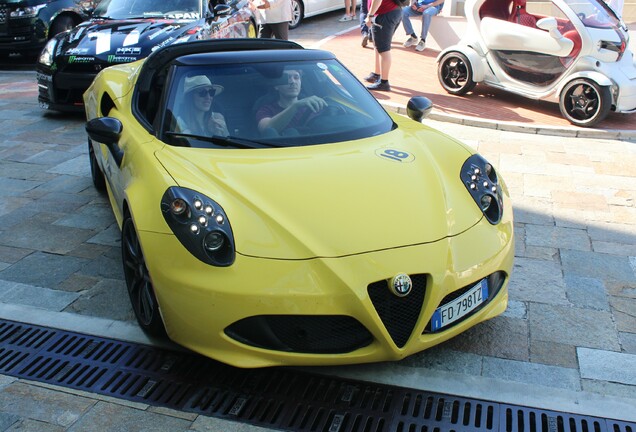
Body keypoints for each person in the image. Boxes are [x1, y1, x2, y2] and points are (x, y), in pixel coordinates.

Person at [256, 69, 327, 134]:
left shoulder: (315, 104)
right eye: (286, 78)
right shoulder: (266, 110)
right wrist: (295, 106)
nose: (292, 82)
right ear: (276, 86)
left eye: (296, 77)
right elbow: (265, 130)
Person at [363, 0, 402, 92]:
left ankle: (384, 82)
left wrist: (370, 15)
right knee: (378, 45)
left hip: (385, 14)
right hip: (390, 12)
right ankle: (377, 74)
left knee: (383, 50)